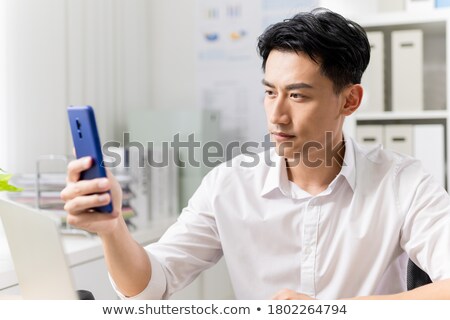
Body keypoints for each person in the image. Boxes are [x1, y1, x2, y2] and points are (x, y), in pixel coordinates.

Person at [60, 8, 450, 299]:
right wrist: (112, 231)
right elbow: (149, 287)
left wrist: (333, 309)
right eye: (269, 92)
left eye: (297, 95)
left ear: (349, 100)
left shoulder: (402, 182)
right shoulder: (229, 185)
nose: (276, 114)